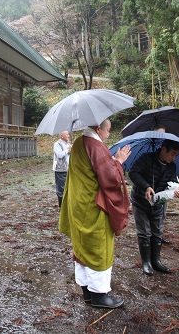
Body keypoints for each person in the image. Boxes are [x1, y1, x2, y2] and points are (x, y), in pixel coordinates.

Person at [58, 118, 132, 309]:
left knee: (82, 247)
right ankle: (100, 296)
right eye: (108, 131)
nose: (108, 135)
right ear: (99, 129)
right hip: (93, 207)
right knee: (99, 247)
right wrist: (119, 161)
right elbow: (110, 179)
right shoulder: (95, 146)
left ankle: (87, 293)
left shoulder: (79, 143)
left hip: (79, 204)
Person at [128, 139, 179, 276]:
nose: (173, 157)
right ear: (164, 149)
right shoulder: (146, 158)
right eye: (172, 153)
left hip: (158, 202)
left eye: (176, 155)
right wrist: (146, 186)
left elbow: (171, 183)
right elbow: (133, 173)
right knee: (144, 232)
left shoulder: (172, 167)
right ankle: (146, 262)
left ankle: (156, 261)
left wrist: (176, 190)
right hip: (140, 200)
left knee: (157, 231)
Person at [52, 130, 71, 208]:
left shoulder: (68, 144)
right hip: (60, 169)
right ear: (61, 135)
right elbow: (59, 155)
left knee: (68, 187)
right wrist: (68, 150)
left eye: (68, 134)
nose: (68, 136)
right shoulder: (57, 144)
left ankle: (67, 206)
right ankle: (61, 207)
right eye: (67, 134)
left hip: (68, 169)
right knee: (61, 189)